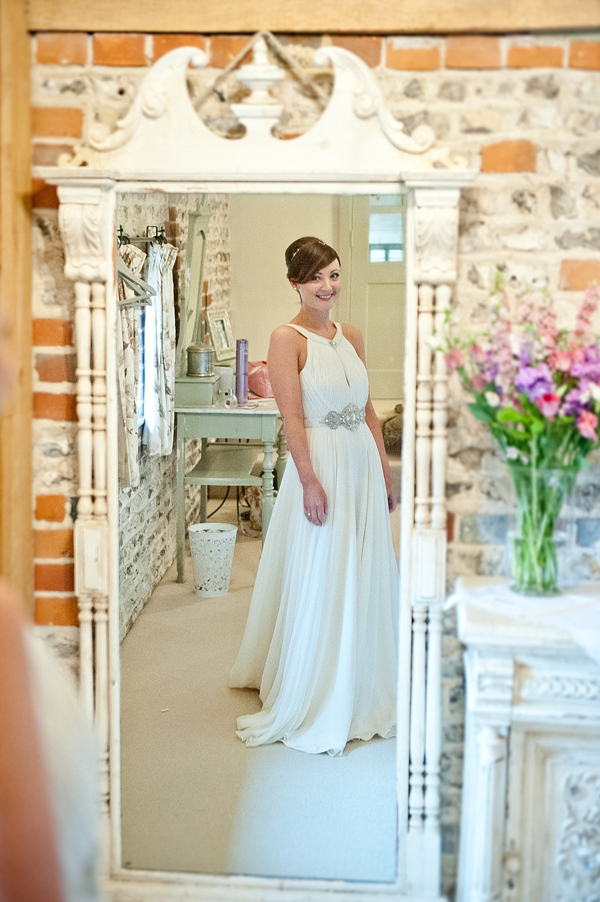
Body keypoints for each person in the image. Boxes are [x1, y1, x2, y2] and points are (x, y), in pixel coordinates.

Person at [229, 236, 399, 756]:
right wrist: (307, 479)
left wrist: (387, 470)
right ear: (295, 284)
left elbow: (369, 409)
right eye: (316, 278)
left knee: (364, 563)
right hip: (322, 460)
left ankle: (363, 676)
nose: (328, 287)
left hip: (362, 463)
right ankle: (321, 683)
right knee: (327, 566)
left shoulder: (351, 334)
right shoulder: (288, 337)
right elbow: (292, 418)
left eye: (334, 275)